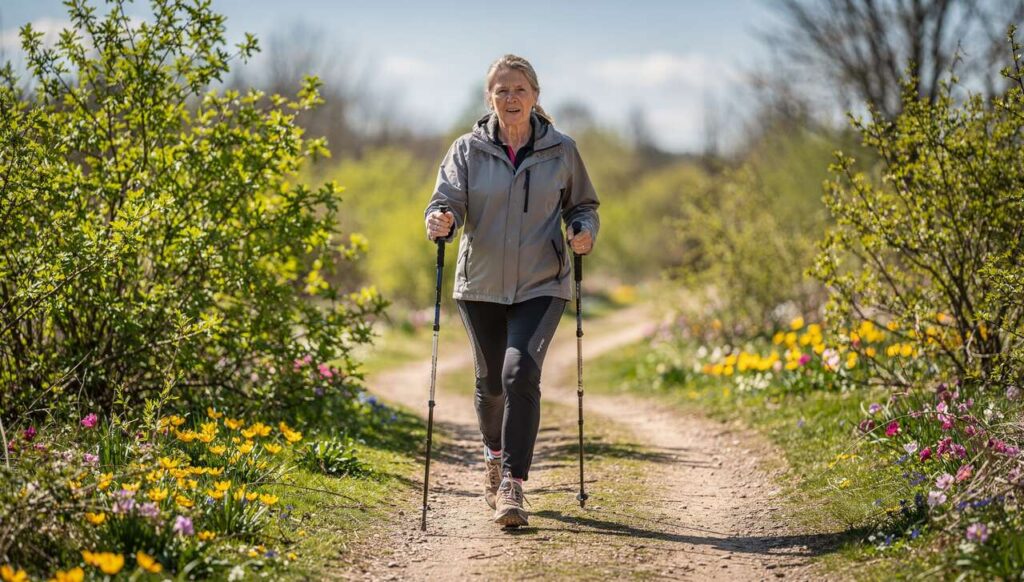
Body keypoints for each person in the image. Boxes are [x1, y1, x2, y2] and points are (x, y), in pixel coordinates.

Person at [424, 54, 600, 528]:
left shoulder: (561, 149)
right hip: (479, 285)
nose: (511, 98)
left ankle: (513, 486)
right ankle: (494, 456)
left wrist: (582, 228)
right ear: (490, 98)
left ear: (536, 96)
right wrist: (441, 220)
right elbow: (446, 201)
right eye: (501, 90)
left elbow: (582, 205)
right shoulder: (467, 150)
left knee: (519, 373)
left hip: (542, 283)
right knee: (489, 384)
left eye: (519, 89)